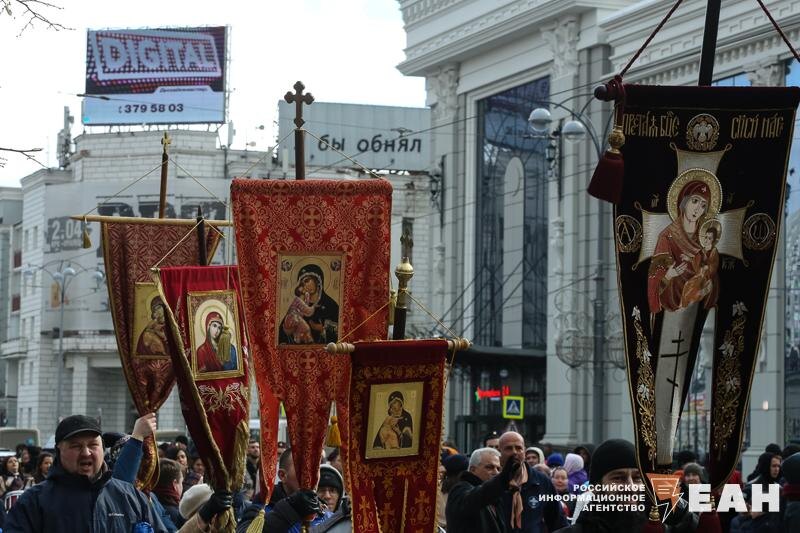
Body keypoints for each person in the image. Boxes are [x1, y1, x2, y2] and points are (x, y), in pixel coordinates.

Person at [4, 414, 167, 532]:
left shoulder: (131, 498)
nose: (86, 453)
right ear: (59, 451)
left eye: (93, 445)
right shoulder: (34, 502)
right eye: (76, 446)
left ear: (102, 449)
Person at [554, 438, 697, 533]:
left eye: (637, 478)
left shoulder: (658, 528)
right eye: (618, 478)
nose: (630, 486)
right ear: (596, 487)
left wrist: (678, 508)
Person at [648, 180, 719, 313]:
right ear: (684, 201)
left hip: (699, 307)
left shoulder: (704, 237)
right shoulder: (667, 237)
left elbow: (711, 272)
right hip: (671, 308)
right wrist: (668, 276)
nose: (698, 209)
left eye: (703, 205)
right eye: (695, 201)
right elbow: (654, 283)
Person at [237, 448, 332, 533]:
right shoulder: (260, 512)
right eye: (302, 468)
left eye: (315, 469)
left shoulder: (326, 516)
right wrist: (291, 508)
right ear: (282, 475)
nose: (311, 475)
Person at [498, 431, 566, 533]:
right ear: (499, 452)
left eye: (519, 448)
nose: (514, 452)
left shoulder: (542, 481)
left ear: (524, 452)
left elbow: (558, 522)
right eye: (508, 448)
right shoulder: (492, 485)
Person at [445, 446, 521, 532]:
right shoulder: (460, 490)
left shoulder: (495, 498)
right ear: (472, 469)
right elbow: (477, 497)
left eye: (498, 469)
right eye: (489, 467)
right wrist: (502, 478)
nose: (496, 472)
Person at [279, 264, 339, 344]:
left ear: (318, 280)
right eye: (302, 283)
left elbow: (339, 332)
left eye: (307, 281)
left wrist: (322, 328)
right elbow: (282, 335)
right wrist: (289, 329)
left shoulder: (330, 305)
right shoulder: (299, 304)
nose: (305, 285)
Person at [154, 458, 186, 529]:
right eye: (181, 482)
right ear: (174, 484)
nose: (182, 486)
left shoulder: (149, 504)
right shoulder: (178, 515)